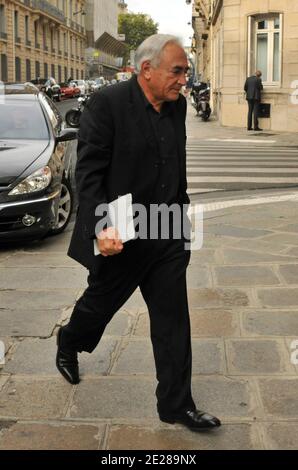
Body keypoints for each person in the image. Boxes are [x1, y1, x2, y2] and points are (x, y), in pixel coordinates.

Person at [56, 34, 221, 432]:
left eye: (185, 71)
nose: (184, 79)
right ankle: (69, 340)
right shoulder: (108, 104)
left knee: (173, 320)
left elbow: (173, 165)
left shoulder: (177, 106)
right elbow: (89, 173)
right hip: (122, 229)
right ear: (147, 70)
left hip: (166, 229)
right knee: (99, 305)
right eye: (177, 71)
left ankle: (176, 405)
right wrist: (102, 227)